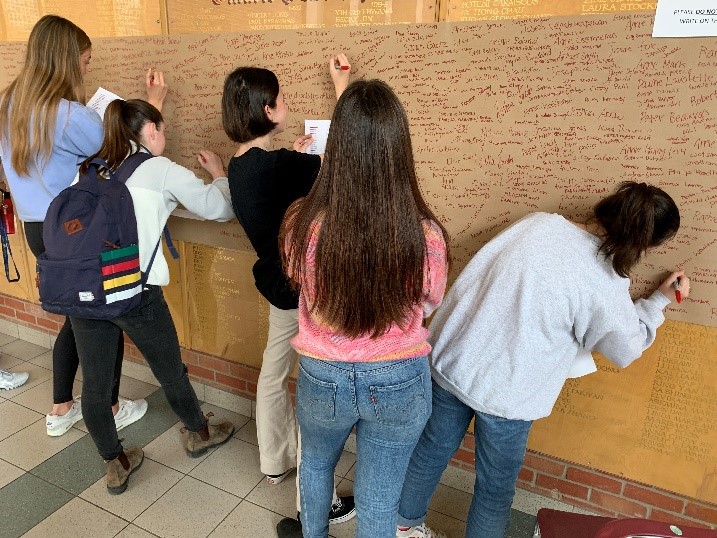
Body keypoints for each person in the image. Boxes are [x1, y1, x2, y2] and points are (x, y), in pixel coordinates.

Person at [396, 181, 688, 538]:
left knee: (429, 451)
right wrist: (657, 302)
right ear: (643, 244)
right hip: (509, 393)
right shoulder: (605, 279)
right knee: (494, 489)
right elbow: (624, 349)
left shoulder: (538, 224)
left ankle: (402, 528)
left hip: (454, 361)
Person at [278, 79, 450, 538]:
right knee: (380, 496)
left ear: (338, 147)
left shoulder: (301, 222)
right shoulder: (424, 234)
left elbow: (301, 283)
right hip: (398, 376)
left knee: (315, 466)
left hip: (323, 372)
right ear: (400, 149)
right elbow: (431, 299)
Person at [0, 15, 165, 436]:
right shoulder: (69, 115)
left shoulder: (8, 104)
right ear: (67, 60)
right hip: (79, 231)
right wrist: (154, 107)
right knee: (99, 316)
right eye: (85, 60)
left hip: (40, 231)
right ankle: (108, 408)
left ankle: (61, 408)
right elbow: (124, 155)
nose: (87, 68)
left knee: (76, 316)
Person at [66, 98, 235, 494]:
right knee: (169, 369)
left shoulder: (89, 170)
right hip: (133, 292)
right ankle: (198, 433)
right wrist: (219, 173)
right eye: (163, 129)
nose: (167, 137)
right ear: (151, 131)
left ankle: (116, 463)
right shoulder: (159, 170)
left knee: (94, 385)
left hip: (85, 291)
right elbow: (220, 208)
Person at [222, 57, 356, 531]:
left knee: (274, 371)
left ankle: (273, 462)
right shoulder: (282, 165)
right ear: (269, 109)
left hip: (276, 286)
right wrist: (343, 87)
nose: (286, 104)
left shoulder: (241, 166)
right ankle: (313, 498)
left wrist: (294, 155)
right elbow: (346, 157)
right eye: (281, 99)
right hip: (304, 290)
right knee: (313, 389)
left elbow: (283, 180)